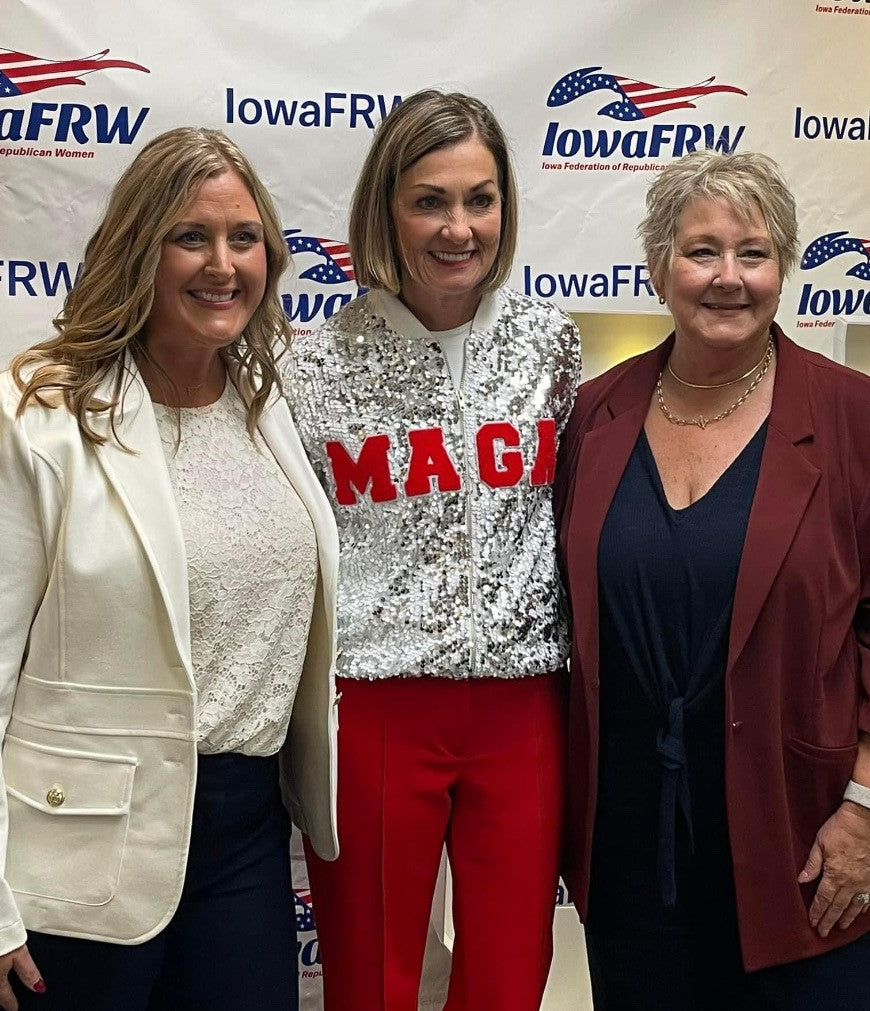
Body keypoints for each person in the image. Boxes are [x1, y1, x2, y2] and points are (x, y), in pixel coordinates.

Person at [0, 127, 339, 1011]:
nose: (221, 264)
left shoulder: (269, 404)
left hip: (244, 839)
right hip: (74, 855)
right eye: (190, 236)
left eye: (243, 237)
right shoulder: (34, 411)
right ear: (137, 248)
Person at [553, 149, 870, 1009]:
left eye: (753, 253)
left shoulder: (855, 418)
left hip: (816, 847)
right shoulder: (594, 415)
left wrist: (869, 810)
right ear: (657, 265)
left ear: (783, 268)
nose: (727, 277)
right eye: (701, 251)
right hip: (635, 860)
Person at [287, 89, 581, 1011]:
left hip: (523, 705)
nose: (459, 228)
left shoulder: (549, 344)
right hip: (376, 705)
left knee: (508, 976)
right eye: (429, 201)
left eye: (479, 199)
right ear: (386, 210)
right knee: (371, 977)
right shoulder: (313, 364)